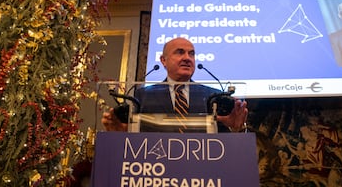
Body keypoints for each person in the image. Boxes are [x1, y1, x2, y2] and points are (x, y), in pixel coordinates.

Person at [102, 37, 248, 132]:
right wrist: (122, 131)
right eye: (180, 52)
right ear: (163, 60)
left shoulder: (212, 96)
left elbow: (226, 144)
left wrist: (235, 128)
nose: (187, 58)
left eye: (191, 54)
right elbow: (136, 137)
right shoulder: (144, 95)